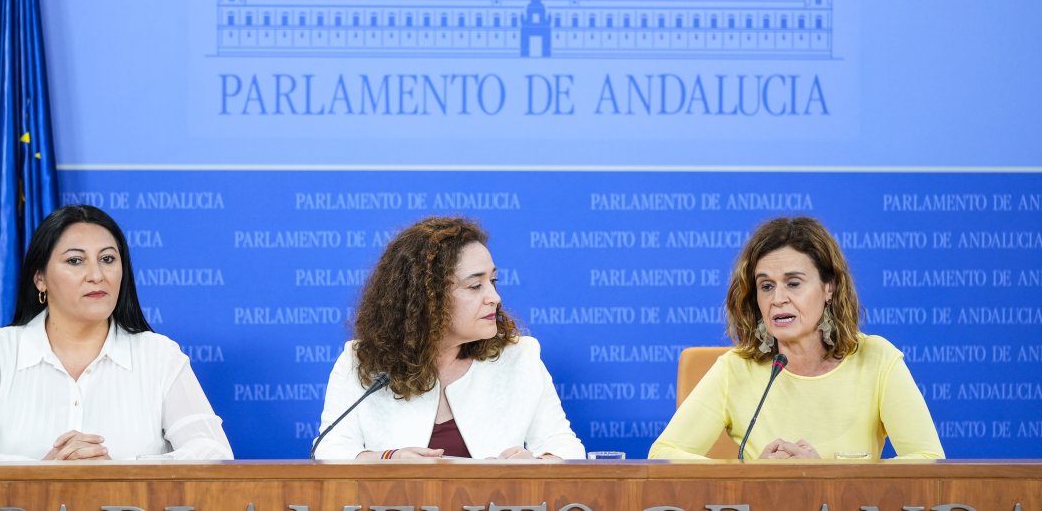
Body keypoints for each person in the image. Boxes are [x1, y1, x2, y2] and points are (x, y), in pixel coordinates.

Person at [0, 205, 233, 461]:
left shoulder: (158, 355)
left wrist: (118, 474)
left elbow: (212, 451)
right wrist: (40, 473)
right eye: (75, 261)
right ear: (40, 278)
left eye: (108, 259)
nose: (96, 275)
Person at [649, 216, 944, 461]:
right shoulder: (735, 369)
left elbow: (929, 459)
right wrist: (752, 473)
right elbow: (664, 454)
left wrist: (828, 476)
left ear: (829, 287)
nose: (778, 299)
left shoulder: (875, 360)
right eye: (766, 286)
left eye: (793, 283)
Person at [313, 216, 585, 460]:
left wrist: (537, 464)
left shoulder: (520, 357)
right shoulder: (362, 361)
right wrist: (388, 460)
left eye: (493, 281)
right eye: (475, 286)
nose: (494, 298)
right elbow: (330, 449)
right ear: (427, 298)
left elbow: (565, 445)